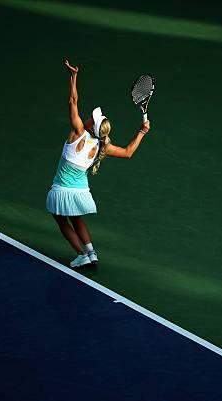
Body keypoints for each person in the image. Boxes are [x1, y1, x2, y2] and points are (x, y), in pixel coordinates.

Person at [46, 59, 150, 268]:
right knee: (77, 219)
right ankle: (91, 251)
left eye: (91, 118)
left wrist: (73, 77)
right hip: (81, 192)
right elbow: (128, 152)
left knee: (60, 219)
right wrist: (142, 132)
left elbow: (72, 101)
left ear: (90, 125)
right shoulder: (103, 146)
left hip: (63, 189)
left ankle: (81, 254)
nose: (87, 117)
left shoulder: (77, 133)